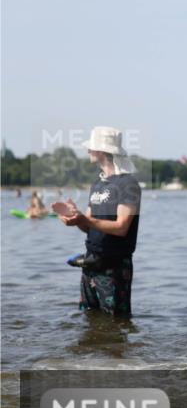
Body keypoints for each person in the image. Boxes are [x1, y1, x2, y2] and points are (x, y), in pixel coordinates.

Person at [58, 126, 141, 317]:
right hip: (90, 263)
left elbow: (121, 228)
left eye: (91, 147)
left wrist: (85, 218)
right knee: (89, 318)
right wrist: (75, 218)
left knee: (116, 322)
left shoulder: (128, 185)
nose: (88, 151)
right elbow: (89, 226)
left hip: (114, 267)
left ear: (102, 151)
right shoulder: (97, 184)